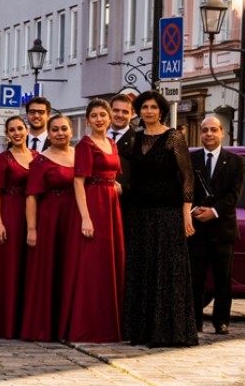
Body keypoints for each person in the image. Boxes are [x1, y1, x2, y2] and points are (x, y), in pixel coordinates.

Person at [122, 91, 198, 347]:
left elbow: (188, 177)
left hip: (167, 213)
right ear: (139, 111)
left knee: (166, 271)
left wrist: (185, 211)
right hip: (139, 213)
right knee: (141, 270)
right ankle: (141, 330)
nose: (148, 111)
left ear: (162, 110)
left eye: (153, 107)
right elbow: (130, 175)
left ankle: (167, 332)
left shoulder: (173, 137)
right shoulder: (135, 138)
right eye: (144, 107)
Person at [70, 98, 125, 343]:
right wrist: (85, 218)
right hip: (93, 204)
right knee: (91, 266)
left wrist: (118, 188)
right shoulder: (85, 144)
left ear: (109, 117)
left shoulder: (112, 143)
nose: (99, 119)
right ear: (89, 119)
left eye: (103, 114)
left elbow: (113, 176)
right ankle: (89, 325)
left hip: (111, 205)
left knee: (109, 264)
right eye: (94, 116)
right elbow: (78, 182)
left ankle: (110, 323)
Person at [20, 114, 79, 342]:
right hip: (50, 218)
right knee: (49, 270)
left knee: (70, 268)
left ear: (71, 131)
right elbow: (32, 196)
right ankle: (46, 325)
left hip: (74, 217)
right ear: (49, 132)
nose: (60, 133)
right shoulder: (40, 161)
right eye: (54, 129)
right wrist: (32, 229)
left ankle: (69, 324)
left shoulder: (79, 156)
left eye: (64, 128)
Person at [189, 115, 245, 335]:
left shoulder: (235, 161)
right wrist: (194, 210)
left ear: (223, 133)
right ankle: (194, 321)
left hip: (223, 229)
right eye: (205, 130)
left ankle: (221, 321)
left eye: (213, 130)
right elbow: (185, 188)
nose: (209, 134)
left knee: (223, 278)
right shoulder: (191, 159)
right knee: (196, 278)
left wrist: (213, 212)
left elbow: (234, 195)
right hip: (196, 227)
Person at [0, 115, 35, 339]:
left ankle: (25, 321)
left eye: (20, 128)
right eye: (12, 130)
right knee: (8, 267)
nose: (16, 133)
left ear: (26, 130)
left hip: (32, 214)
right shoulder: (3, 159)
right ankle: (5, 322)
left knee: (28, 267)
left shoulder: (37, 157)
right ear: (7, 134)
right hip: (9, 211)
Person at [109, 94, 136, 190]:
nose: (119, 115)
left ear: (132, 113)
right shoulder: (97, 137)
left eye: (125, 112)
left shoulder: (138, 140)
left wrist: (124, 189)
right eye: (116, 110)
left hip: (125, 201)